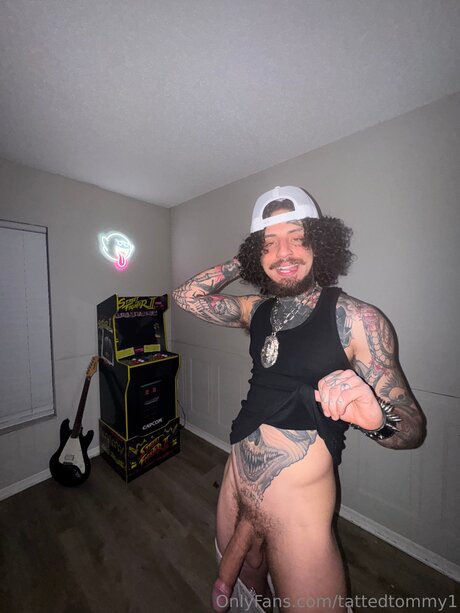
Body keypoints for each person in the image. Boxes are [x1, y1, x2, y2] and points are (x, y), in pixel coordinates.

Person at [172, 186, 424, 613]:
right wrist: (245, 257)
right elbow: (186, 297)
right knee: (249, 603)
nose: (283, 253)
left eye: (297, 237)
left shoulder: (357, 319)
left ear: (319, 244)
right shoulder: (257, 310)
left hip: (299, 519)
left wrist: (377, 420)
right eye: (268, 244)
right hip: (235, 491)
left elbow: (413, 428)